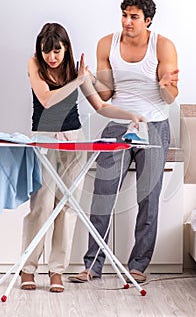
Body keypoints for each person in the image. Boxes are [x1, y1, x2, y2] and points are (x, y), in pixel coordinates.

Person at [20, 22, 145, 293]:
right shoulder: (34, 65)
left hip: (73, 140)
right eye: (46, 52)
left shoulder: (75, 70)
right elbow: (47, 101)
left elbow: (100, 105)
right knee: (41, 206)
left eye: (57, 51)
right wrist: (77, 80)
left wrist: (130, 115)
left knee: (67, 207)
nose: (51, 58)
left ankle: (56, 271)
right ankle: (27, 268)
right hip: (44, 138)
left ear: (66, 48)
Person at [68, 0, 179, 284]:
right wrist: (89, 81)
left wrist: (166, 85)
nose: (127, 21)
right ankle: (92, 265)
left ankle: (138, 265)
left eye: (134, 17)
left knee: (148, 198)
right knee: (103, 195)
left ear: (148, 21)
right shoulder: (107, 44)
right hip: (118, 125)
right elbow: (105, 95)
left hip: (153, 125)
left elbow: (169, 97)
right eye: (124, 15)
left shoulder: (163, 46)